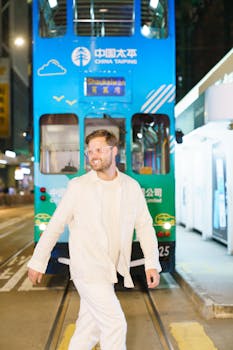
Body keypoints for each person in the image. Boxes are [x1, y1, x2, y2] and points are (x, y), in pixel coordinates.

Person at [27, 129, 161, 350]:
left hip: (108, 270)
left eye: (99, 150)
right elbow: (55, 225)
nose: (93, 155)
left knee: (88, 331)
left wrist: (152, 263)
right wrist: (38, 261)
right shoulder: (78, 187)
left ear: (114, 151)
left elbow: (145, 227)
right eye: (89, 151)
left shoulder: (130, 187)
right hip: (88, 270)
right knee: (115, 325)